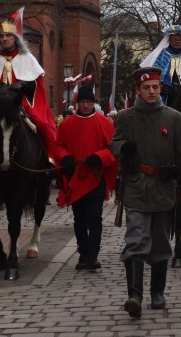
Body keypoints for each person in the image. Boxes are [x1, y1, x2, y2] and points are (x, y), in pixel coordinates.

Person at [110, 67, 181, 318]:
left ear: (160, 89)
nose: (151, 91)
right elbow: (114, 143)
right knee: (135, 240)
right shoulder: (126, 117)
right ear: (138, 90)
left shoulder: (173, 117)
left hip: (163, 189)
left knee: (160, 243)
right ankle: (134, 296)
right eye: (146, 87)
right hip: (136, 187)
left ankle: (157, 292)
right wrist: (123, 148)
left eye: (155, 87)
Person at [0, 14, 59, 184]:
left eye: (8, 36)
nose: (5, 39)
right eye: (1, 36)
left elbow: (37, 85)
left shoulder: (27, 58)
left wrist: (23, 85)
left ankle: (50, 162)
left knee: (43, 125)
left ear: (15, 38)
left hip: (21, 103)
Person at [54, 84, 118, 271]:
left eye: (89, 102)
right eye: (82, 102)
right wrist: (65, 157)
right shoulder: (66, 124)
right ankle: (83, 254)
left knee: (95, 217)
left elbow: (112, 149)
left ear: (93, 103)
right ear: (77, 103)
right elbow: (59, 146)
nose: (85, 105)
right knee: (79, 219)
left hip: (96, 177)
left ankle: (93, 255)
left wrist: (99, 157)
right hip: (76, 176)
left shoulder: (105, 123)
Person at [140, 24, 181, 107]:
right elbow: (150, 76)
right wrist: (160, 86)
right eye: (174, 36)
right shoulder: (160, 56)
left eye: (180, 36)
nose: (177, 38)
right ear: (169, 38)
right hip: (163, 97)